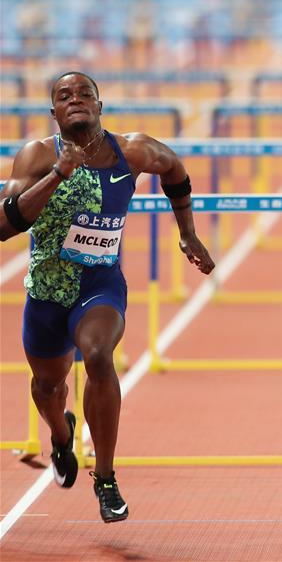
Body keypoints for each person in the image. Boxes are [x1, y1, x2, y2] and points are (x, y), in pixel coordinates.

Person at [0, 71, 215, 522]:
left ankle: (107, 478)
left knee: (98, 356)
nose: (75, 99)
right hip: (47, 290)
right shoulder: (37, 155)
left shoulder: (132, 150)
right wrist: (58, 175)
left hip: (100, 284)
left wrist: (188, 232)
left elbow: (174, 168)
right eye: (64, 95)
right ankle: (61, 436)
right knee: (48, 387)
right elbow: (4, 226)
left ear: (100, 106)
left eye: (85, 94)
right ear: (53, 111)